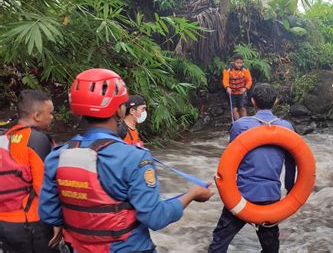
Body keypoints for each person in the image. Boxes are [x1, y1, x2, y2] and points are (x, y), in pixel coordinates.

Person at [39, 68, 214, 252]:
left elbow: (50, 215)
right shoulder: (134, 157)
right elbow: (155, 218)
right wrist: (193, 194)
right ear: (119, 110)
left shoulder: (57, 156)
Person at [208, 83, 296, 253]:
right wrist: (290, 190)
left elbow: (231, 159)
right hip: (270, 197)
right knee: (270, 248)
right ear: (276, 101)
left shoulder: (241, 125)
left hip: (241, 195)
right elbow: (292, 162)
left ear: (253, 101)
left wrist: (225, 184)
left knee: (219, 243)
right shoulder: (287, 127)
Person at [0, 90, 61, 253]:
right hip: (31, 223)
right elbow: (44, 187)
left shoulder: (5, 138)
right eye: (50, 113)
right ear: (37, 116)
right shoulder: (37, 140)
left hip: (5, 222)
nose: (52, 117)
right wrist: (56, 222)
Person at [222, 54, 253, 120]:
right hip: (232, 93)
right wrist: (227, 87)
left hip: (241, 92)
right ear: (233, 62)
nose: (239, 65)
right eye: (237, 63)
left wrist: (245, 88)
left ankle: (245, 123)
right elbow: (225, 80)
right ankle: (238, 123)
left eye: (241, 63)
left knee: (243, 107)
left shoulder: (245, 69)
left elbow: (249, 80)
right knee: (234, 109)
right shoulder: (227, 70)